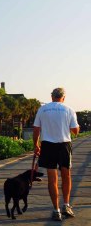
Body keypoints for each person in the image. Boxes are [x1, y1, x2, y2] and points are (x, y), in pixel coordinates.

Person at [33, 88, 80, 221]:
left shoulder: (42, 109)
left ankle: (56, 210)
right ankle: (66, 204)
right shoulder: (69, 109)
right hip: (64, 145)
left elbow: (36, 129)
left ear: (51, 96)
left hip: (47, 145)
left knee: (52, 179)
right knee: (66, 175)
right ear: (63, 97)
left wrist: (36, 145)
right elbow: (75, 131)